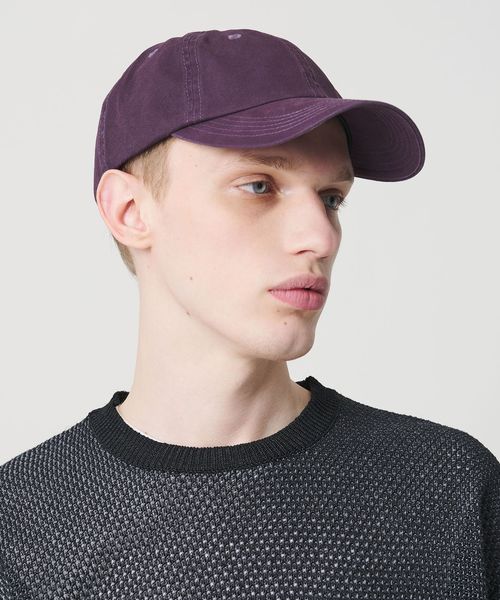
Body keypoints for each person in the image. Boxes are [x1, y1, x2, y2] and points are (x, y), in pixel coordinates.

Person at [1, 28, 498, 599]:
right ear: (131, 210)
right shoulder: (21, 525)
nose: (320, 237)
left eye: (331, 198)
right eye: (259, 186)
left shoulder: (449, 486)